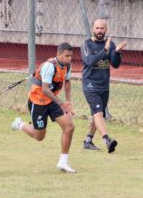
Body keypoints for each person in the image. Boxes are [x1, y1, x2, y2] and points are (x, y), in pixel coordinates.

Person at [11, 42, 76, 173]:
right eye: (66, 56)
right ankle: (19, 125)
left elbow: (67, 82)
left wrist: (68, 102)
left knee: (69, 127)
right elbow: (45, 89)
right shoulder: (49, 66)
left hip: (53, 101)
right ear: (58, 54)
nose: (69, 59)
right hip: (38, 102)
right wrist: (62, 104)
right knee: (39, 136)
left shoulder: (67, 66)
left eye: (71, 56)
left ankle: (63, 162)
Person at [81, 19, 127, 153]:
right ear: (92, 29)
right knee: (99, 113)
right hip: (90, 84)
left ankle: (88, 141)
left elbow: (115, 64)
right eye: (97, 28)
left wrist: (117, 52)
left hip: (104, 86)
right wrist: (104, 50)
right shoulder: (86, 44)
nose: (99, 31)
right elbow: (89, 61)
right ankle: (107, 140)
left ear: (105, 30)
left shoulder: (110, 44)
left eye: (102, 28)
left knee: (97, 115)